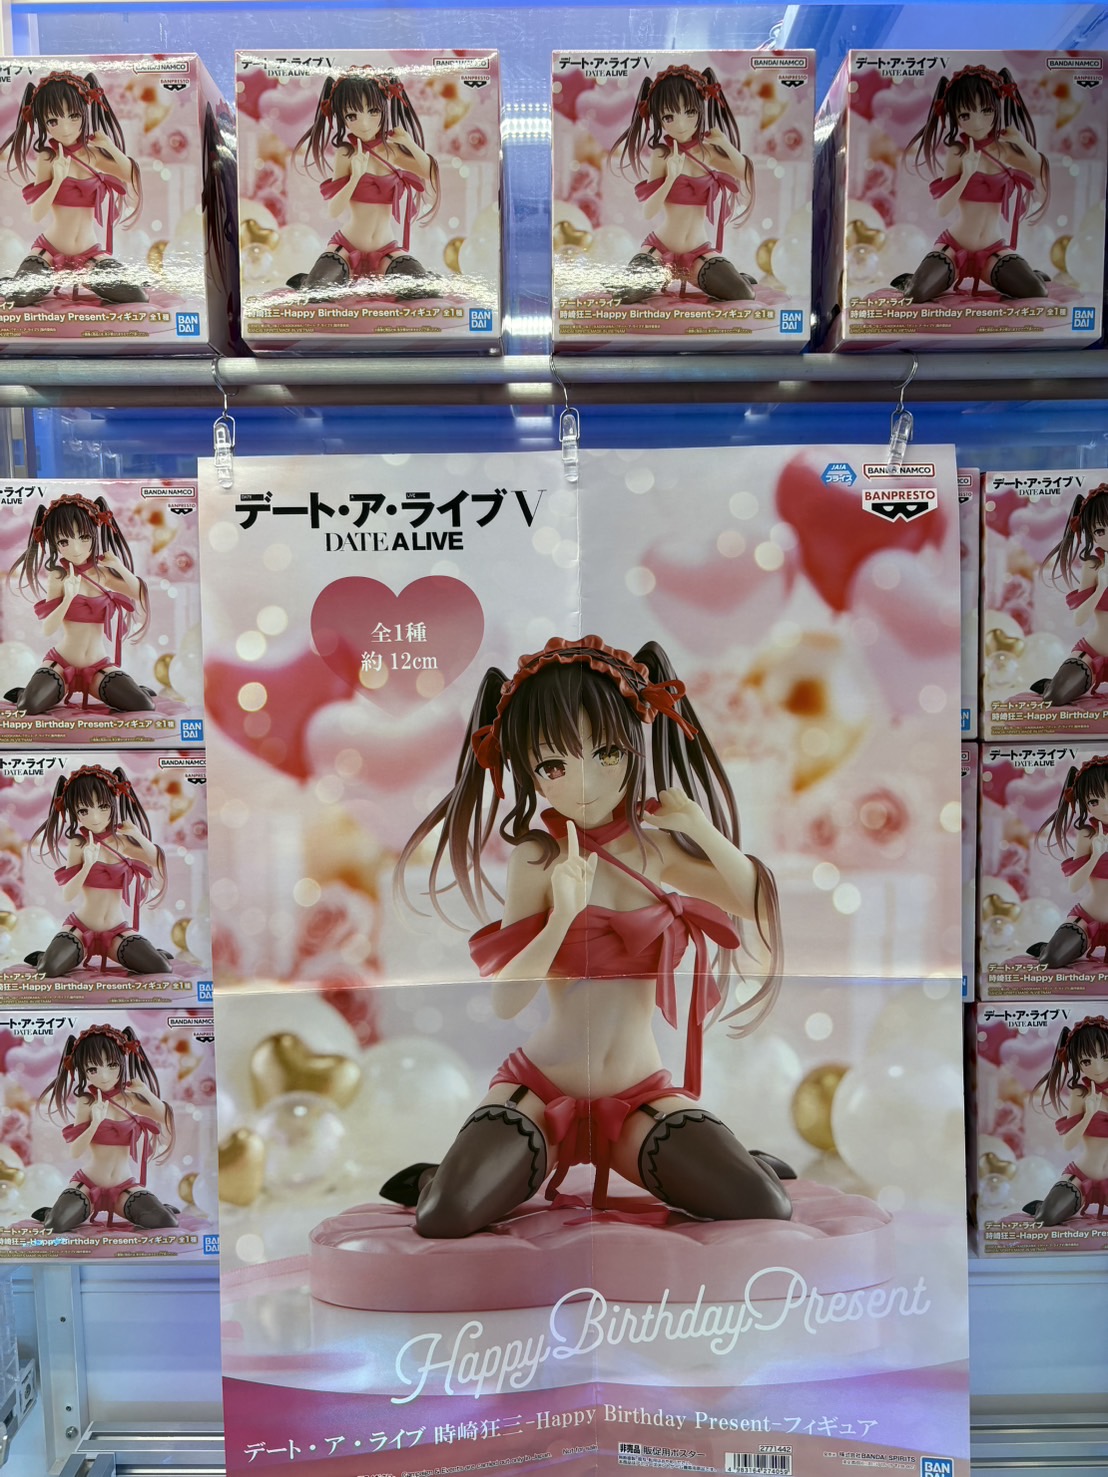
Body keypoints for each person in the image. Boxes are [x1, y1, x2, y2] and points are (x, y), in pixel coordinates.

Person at [386, 634, 792, 1238]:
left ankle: (734, 1161)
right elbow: (507, 1000)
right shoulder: (535, 859)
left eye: (606, 753)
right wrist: (561, 918)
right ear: (528, 772)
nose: (583, 783)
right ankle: (441, 1176)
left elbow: (756, 904)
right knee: (444, 1216)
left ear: (635, 747)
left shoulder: (656, 852)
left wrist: (701, 829)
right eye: (554, 766)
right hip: (538, 1090)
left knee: (764, 1203)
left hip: (639, 1097)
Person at [894, 63, 1049, 302]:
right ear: (955, 117)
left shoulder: (1003, 151)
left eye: (986, 111)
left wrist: (1021, 141)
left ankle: (1028, 274)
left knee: (1036, 290)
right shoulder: (957, 152)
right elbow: (942, 209)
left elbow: (1040, 170)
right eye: (966, 115)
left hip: (993, 250)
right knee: (916, 294)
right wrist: (966, 175)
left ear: (997, 108)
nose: (977, 122)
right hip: (954, 247)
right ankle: (912, 279)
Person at [608, 64, 755, 305]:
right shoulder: (661, 155)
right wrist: (670, 178)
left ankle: (731, 276)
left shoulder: (707, 152)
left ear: (701, 109)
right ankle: (651, 276)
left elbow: (745, 173)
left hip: (698, 252)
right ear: (659, 118)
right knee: (625, 294)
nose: (681, 124)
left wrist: (725, 144)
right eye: (669, 117)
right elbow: (648, 211)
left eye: (690, 112)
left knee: (743, 293)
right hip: (659, 249)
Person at [286, 70, 439, 299]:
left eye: (373, 111)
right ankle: (310, 280)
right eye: (352, 116)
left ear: (384, 109)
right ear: (342, 117)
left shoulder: (392, 151)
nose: (364, 123)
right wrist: (355, 177)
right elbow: (333, 210)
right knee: (318, 292)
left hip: (386, 249)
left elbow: (430, 173)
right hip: (346, 247)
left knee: (421, 291)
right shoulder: (345, 154)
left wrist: (409, 143)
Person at [1, 69, 145, 306]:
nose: (65, 128)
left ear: (84, 113)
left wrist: (109, 145)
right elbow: (36, 214)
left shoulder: (93, 155)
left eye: (74, 116)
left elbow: (130, 175)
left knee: (135, 295)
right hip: (49, 251)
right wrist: (57, 180)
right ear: (43, 123)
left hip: (89, 254)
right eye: (53, 121)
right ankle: (17, 282)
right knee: (19, 297)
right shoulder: (47, 158)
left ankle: (87, 279)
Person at [5, 492, 154, 714]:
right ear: (54, 544)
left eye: (84, 537)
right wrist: (68, 598)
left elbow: (140, 594)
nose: (75, 549)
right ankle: (27, 692)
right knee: (29, 706)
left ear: (94, 534)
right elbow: (47, 629)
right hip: (60, 664)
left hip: (98, 666)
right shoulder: (58, 576)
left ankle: (132, 689)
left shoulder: (103, 574)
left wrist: (119, 567)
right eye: (64, 542)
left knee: (143, 704)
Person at [28, 763, 171, 977]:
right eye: (84, 810)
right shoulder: (78, 844)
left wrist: (138, 835)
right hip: (80, 928)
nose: (95, 818)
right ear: (74, 812)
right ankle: (45, 956)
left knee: (161, 967)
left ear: (113, 804)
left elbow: (157, 861)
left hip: (116, 931)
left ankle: (151, 953)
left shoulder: (122, 842)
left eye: (103, 807)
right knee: (48, 969)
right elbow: (68, 895)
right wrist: (87, 865)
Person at [34, 1022, 177, 1233]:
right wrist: (95, 1123)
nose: (104, 1076)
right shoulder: (86, 1102)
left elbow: (165, 1117)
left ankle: (156, 1207)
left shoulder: (129, 1100)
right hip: (87, 1185)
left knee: (166, 1221)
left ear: (122, 1062)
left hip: (123, 1187)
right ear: (83, 1070)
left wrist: (146, 1092)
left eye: (112, 1065)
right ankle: (53, 1212)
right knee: (56, 1224)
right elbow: (75, 1152)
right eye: (93, 1069)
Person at [1024, 1015, 1108, 1224]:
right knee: (1046, 1218)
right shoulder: (1080, 1094)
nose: (1097, 1068)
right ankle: (1046, 1205)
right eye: (1087, 1061)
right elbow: (1068, 1143)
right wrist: (1088, 1115)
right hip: (1081, 1175)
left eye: (1105, 1057)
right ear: (1077, 1063)